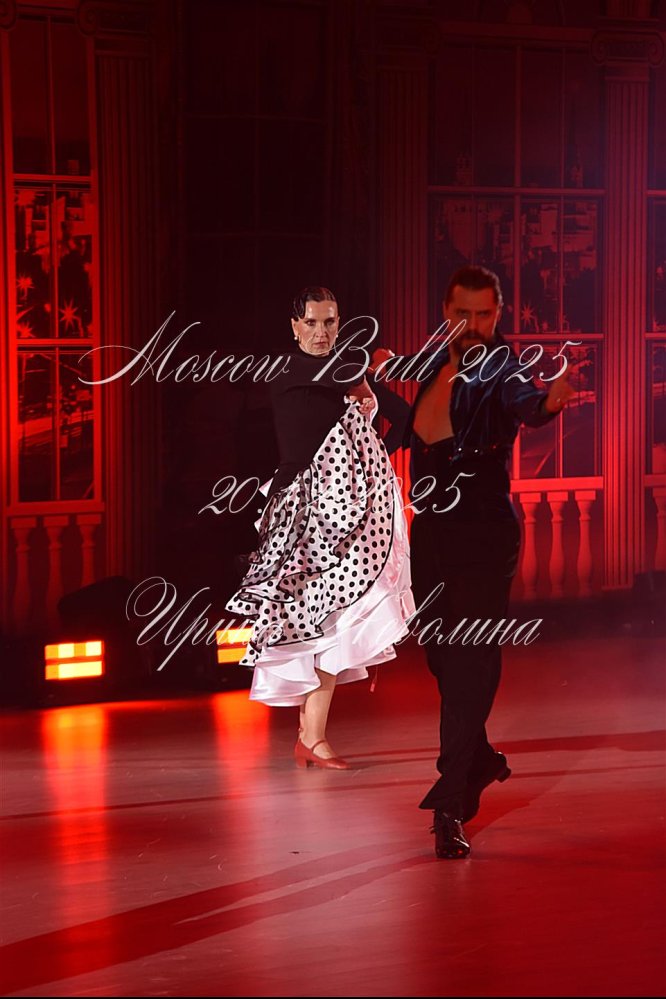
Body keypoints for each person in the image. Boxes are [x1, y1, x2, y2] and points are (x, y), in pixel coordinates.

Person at [384, 265, 574, 858]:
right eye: (462, 313)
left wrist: (548, 402)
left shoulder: (502, 369)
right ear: (446, 312)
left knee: (469, 662)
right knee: (442, 658)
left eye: (484, 314)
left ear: (498, 315)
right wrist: (377, 373)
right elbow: (410, 408)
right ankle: (483, 758)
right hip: (433, 534)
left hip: (484, 536)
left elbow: (528, 403)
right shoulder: (431, 363)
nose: (472, 324)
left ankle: (449, 804)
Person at [226, 286, 416, 769]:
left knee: (335, 618)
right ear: (295, 327)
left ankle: (311, 735)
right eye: (311, 322)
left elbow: (404, 416)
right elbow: (336, 374)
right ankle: (311, 736)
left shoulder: (346, 372)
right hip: (299, 512)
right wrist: (369, 366)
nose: (320, 331)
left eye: (330, 322)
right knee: (314, 618)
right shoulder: (290, 369)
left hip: (344, 513)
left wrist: (371, 458)